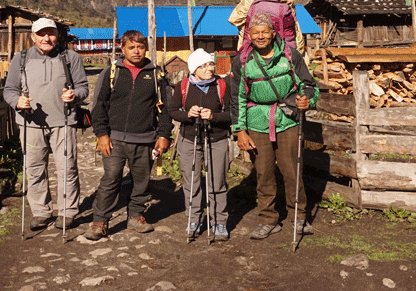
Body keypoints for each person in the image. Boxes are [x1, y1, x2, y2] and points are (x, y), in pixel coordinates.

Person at [230, 12, 319, 240]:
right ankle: (267, 220)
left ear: (273, 33)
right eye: (255, 33)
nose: (260, 37)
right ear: (249, 35)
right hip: (257, 122)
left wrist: (307, 99)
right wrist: (240, 130)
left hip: (287, 119)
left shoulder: (290, 56)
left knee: (292, 171)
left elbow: (309, 85)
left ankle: (299, 217)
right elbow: (237, 98)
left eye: (264, 32)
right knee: (264, 172)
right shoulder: (242, 61)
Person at [83, 30, 173, 241]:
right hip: (114, 140)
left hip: (145, 139)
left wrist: (163, 135)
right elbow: (99, 105)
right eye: (131, 47)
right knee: (111, 179)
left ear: (146, 49)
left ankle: (136, 216)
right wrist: (101, 134)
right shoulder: (112, 73)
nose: (136, 51)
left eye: (140, 47)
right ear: (122, 49)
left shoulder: (157, 75)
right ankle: (99, 222)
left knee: (141, 181)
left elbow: (166, 109)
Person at [4, 17, 88, 231]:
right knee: (34, 169)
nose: (46, 38)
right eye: (41, 34)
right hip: (30, 124)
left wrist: (75, 95)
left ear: (57, 35)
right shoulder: (20, 59)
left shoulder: (70, 57)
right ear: (33, 37)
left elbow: (83, 87)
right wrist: (17, 102)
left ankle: (67, 212)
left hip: (64, 122)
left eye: (50, 33)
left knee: (67, 168)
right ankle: (41, 212)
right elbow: (9, 90)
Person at [168, 49, 234, 241]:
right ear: (194, 69)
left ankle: (219, 222)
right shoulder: (184, 86)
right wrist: (188, 114)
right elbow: (172, 111)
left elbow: (231, 113)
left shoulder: (222, 85)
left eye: (211, 64)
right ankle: (193, 219)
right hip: (190, 139)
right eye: (203, 66)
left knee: (217, 182)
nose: (209, 68)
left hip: (217, 138)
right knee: (191, 182)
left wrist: (213, 116)